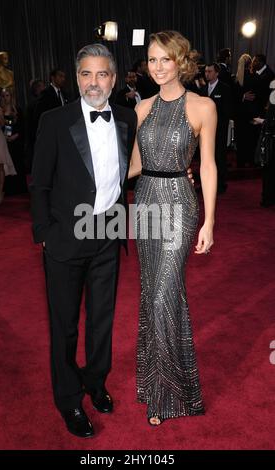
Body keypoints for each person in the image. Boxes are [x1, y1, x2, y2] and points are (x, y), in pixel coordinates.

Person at [30, 44, 137, 438]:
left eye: (103, 74)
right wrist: (44, 233)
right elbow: (39, 182)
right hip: (65, 237)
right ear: (77, 78)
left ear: (114, 78)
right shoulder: (55, 121)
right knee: (65, 326)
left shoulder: (126, 118)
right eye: (87, 74)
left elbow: (132, 169)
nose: (95, 82)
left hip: (108, 232)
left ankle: (96, 380)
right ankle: (69, 400)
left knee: (102, 320)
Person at [128, 30, 217, 426]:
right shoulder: (141, 108)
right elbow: (130, 166)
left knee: (165, 292)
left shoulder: (202, 106)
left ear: (181, 61)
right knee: (151, 293)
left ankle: (170, 395)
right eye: (152, 60)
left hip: (179, 201)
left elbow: (209, 166)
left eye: (165, 59)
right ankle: (152, 382)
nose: (158, 67)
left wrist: (209, 220)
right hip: (145, 199)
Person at [200, 63, 233, 193]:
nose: (207, 73)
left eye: (209, 71)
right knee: (206, 157)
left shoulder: (224, 88)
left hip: (219, 130)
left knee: (219, 156)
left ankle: (220, 184)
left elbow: (227, 110)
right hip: (204, 131)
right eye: (206, 71)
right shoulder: (203, 89)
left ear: (217, 73)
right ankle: (206, 184)